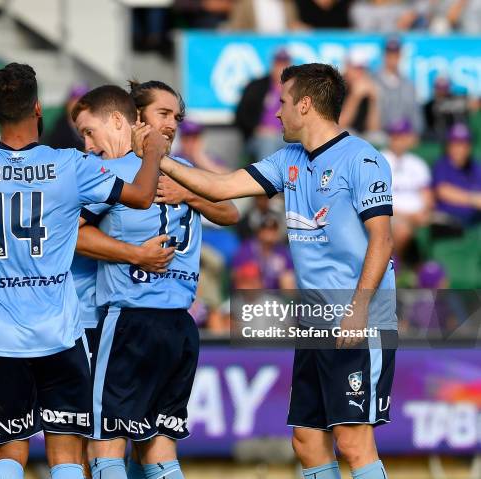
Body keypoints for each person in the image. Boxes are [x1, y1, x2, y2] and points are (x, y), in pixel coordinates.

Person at [0, 63, 167, 479]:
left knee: (8, 458)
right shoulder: (70, 165)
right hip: (60, 334)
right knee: (66, 460)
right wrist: (151, 152)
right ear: (38, 108)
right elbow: (144, 196)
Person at [159, 63, 396, 479]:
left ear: (305, 105)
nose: (276, 112)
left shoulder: (362, 159)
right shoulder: (288, 158)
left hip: (359, 316)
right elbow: (222, 187)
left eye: (283, 102)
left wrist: (358, 309)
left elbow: (383, 240)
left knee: (353, 440)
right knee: (307, 439)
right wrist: (160, 160)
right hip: (316, 318)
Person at [72, 83, 238, 479]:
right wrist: (190, 192)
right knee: (158, 450)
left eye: (177, 117)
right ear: (137, 118)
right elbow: (229, 211)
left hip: (132, 319)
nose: (173, 124)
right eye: (163, 114)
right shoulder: (186, 173)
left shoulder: (122, 173)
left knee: (105, 443)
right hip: (178, 326)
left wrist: (187, 194)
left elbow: (71, 234)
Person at [381, 118, 432, 261]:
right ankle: (395, 269)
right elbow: (378, 200)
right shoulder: (380, 159)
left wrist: (424, 212)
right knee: (402, 231)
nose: (398, 140)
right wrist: (408, 217)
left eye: (402, 136)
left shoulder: (417, 163)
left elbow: (427, 195)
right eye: (395, 135)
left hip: (418, 216)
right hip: (390, 216)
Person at [235, 48, 291, 162]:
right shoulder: (256, 86)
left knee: (300, 144)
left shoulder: (296, 89)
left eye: (285, 63)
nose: (282, 68)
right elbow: (241, 115)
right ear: (273, 65)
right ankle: (265, 179)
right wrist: (256, 128)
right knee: (268, 141)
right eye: (279, 63)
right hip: (259, 138)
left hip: (288, 136)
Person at [432, 123, 481, 229]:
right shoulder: (442, 165)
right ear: (448, 146)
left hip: (475, 220)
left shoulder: (475, 166)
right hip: (448, 221)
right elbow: (443, 191)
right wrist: (473, 199)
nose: (459, 149)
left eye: (463, 144)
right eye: (455, 144)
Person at [376, 37, 423, 136]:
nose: (392, 57)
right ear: (384, 55)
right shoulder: (373, 81)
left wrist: (414, 133)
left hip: (405, 136)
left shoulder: (408, 85)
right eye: (389, 53)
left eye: (396, 54)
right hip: (382, 135)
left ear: (400, 55)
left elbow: (416, 117)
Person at [42, 85, 88, 151]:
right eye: (74, 101)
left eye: (82, 102)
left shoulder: (97, 127)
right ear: (68, 104)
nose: (77, 106)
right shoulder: (59, 129)